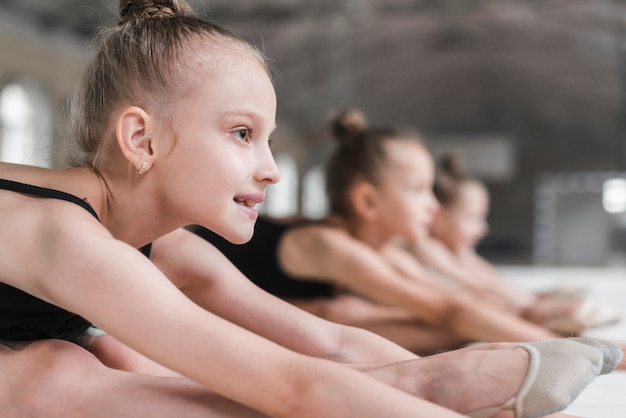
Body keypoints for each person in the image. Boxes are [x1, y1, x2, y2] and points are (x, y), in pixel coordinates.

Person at [0, 2, 620, 417]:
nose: (271, 167)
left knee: (110, 355)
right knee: (55, 374)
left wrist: (436, 379)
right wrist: (431, 391)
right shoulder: (63, 234)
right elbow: (293, 386)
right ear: (142, 140)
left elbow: (328, 346)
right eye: (242, 133)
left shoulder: (169, 247)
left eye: (270, 140)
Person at [192, 109, 626, 366]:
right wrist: (586, 349)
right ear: (368, 202)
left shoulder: (384, 249)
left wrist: (531, 320)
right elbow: (450, 308)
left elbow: (455, 303)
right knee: (340, 311)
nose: (433, 207)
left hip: (252, 299)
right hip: (194, 286)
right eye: (418, 191)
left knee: (428, 322)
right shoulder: (334, 246)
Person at [412, 151, 621, 335]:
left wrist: (531, 302)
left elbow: (490, 282)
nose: (483, 229)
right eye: (473, 218)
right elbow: (479, 288)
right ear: (439, 218)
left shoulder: (458, 253)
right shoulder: (428, 250)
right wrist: (529, 309)